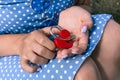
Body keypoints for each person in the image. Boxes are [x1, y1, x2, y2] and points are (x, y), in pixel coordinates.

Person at [0, 0, 120, 80]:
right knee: (82, 73)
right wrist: (20, 43)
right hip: (9, 49)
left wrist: (77, 8)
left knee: (113, 37)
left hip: (62, 29)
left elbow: (82, 2)